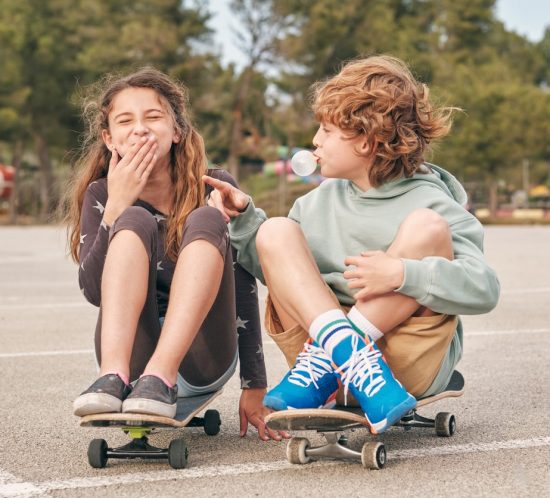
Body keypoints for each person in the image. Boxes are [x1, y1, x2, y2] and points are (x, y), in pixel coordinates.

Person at [203, 55, 500, 434]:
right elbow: (286, 280)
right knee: (274, 230)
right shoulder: (313, 205)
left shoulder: (433, 200)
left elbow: (484, 289)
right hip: (322, 375)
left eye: (326, 130)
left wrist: (402, 274)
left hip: (405, 365)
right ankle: (349, 357)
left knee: (426, 228)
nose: (315, 141)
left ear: (366, 139)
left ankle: (339, 359)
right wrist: (245, 219)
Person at [64, 67, 285, 441]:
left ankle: (162, 376)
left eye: (153, 117)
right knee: (133, 218)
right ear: (109, 138)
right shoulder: (102, 194)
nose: (140, 128)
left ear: (177, 131)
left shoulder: (213, 184)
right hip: (132, 354)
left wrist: (254, 384)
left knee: (206, 218)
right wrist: (117, 205)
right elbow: (94, 292)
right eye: (125, 121)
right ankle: (113, 377)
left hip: (203, 352)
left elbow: (242, 285)